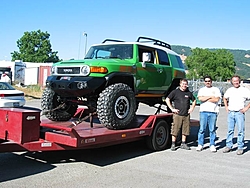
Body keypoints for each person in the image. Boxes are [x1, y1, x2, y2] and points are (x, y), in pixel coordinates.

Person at [166, 78, 196, 151]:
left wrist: (192, 108)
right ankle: (173, 144)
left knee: (185, 130)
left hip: (186, 115)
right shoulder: (175, 92)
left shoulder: (188, 93)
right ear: (180, 84)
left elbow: (194, 100)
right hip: (178, 115)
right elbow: (167, 99)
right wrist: (172, 109)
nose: (184, 85)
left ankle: (183, 143)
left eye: (185, 84)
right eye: (183, 84)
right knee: (175, 129)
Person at [223, 75, 250, 155]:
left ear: (239, 81)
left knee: (240, 131)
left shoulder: (244, 90)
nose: (236, 82)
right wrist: (226, 107)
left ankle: (240, 147)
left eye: (237, 81)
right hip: (231, 112)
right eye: (234, 81)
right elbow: (225, 98)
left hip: (239, 113)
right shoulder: (230, 90)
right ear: (232, 82)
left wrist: (246, 108)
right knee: (230, 130)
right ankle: (229, 145)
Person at [196, 76, 221, 152]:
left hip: (213, 112)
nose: (207, 82)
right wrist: (210, 97)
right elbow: (200, 99)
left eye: (209, 81)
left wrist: (205, 98)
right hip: (203, 111)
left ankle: (212, 144)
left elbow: (216, 99)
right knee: (202, 129)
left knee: (212, 129)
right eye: (206, 81)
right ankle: (200, 144)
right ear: (204, 82)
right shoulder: (202, 90)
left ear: (211, 81)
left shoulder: (216, 89)